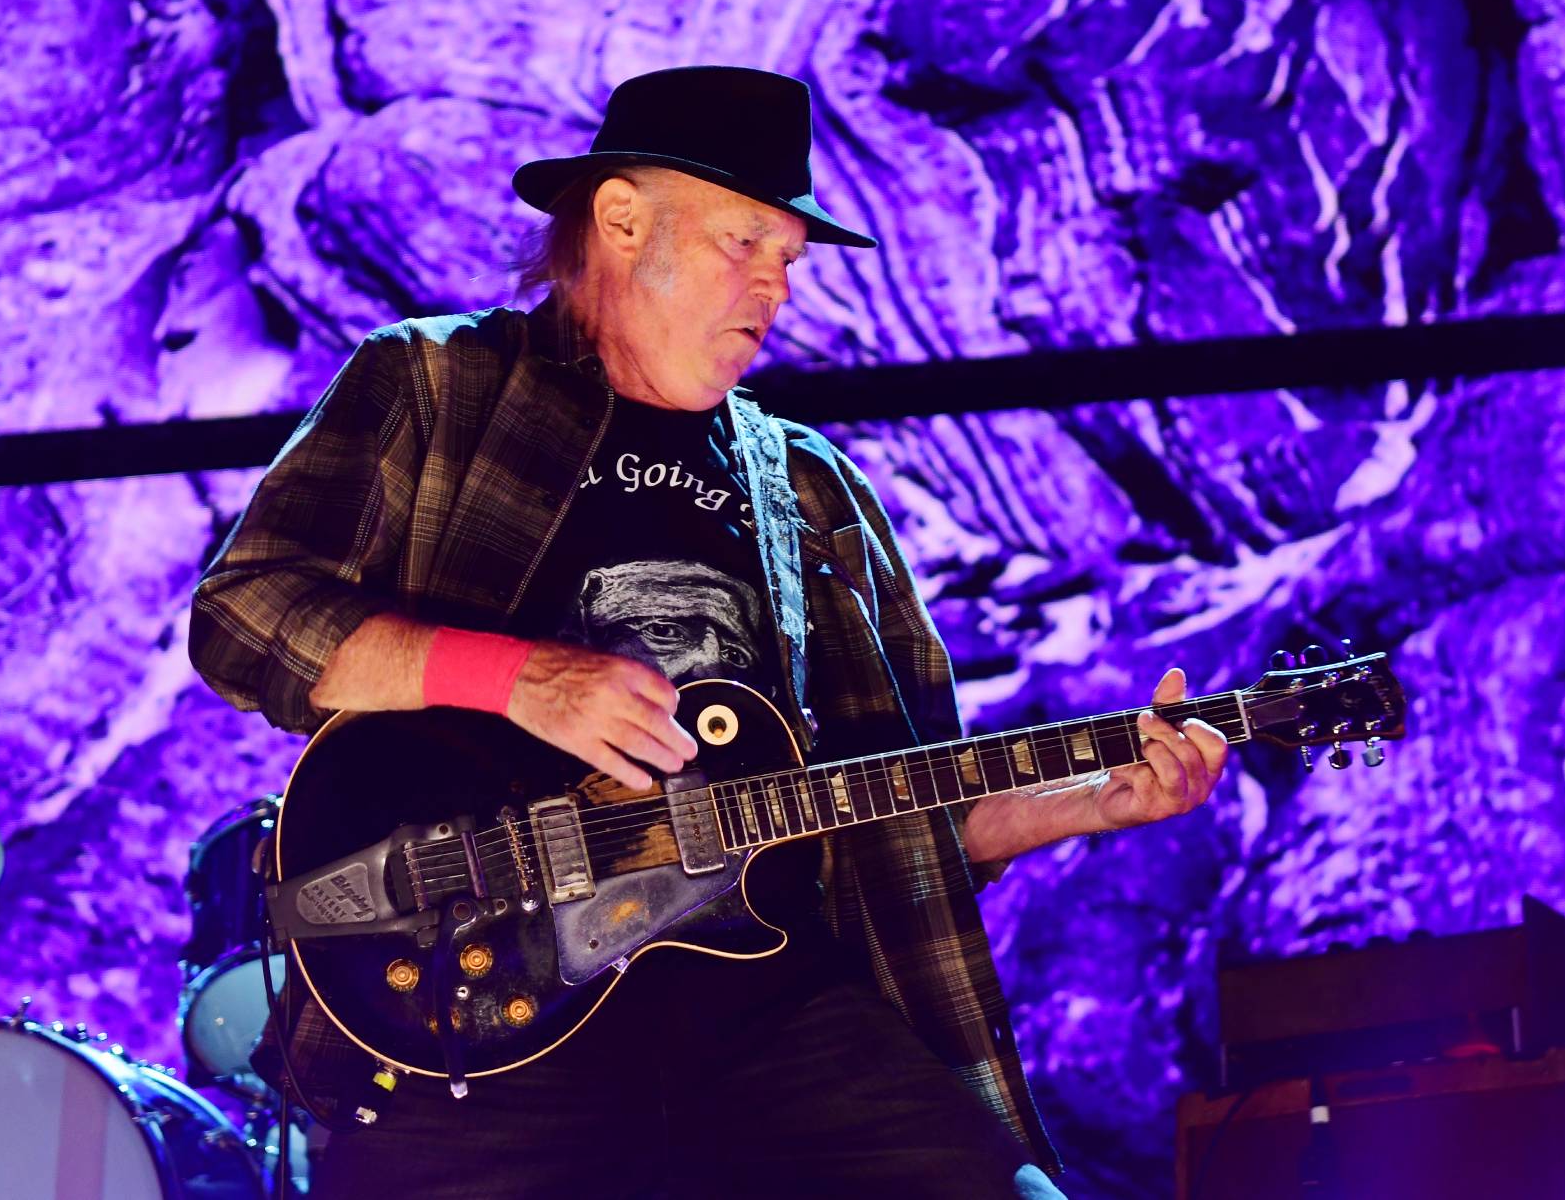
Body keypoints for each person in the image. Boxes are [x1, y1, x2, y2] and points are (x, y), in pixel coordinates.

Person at [190, 65, 1227, 1199]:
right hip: (473, 1018)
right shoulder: (438, 385)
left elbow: (893, 814)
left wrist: (1094, 800)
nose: (775, 289)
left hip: (772, 1026)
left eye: (789, 259)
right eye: (745, 243)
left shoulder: (813, 491)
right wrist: (518, 678)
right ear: (623, 218)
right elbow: (244, 617)